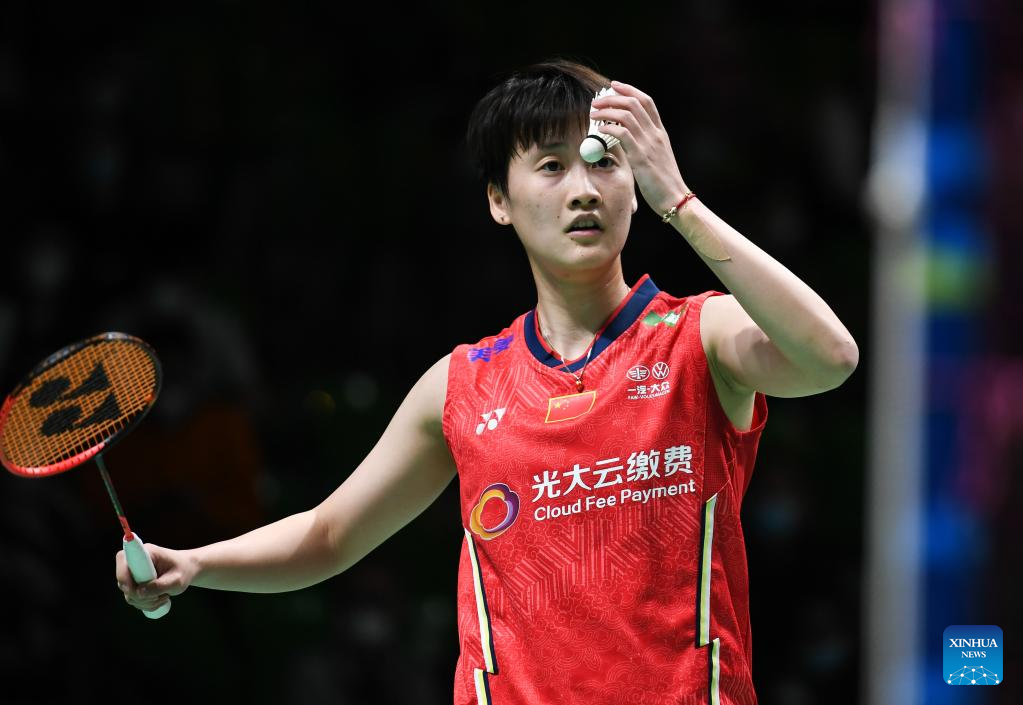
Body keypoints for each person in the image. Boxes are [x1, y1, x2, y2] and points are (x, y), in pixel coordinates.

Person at [116, 59, 858, 705]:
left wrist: (681, 203)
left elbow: (829, 356)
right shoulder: (462, 386)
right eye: (550, 166)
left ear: (636, 185)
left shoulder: (699, 337)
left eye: (604, 161)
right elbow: (330, 534)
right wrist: (199, 564)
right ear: (499, 200)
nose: (583, 189)